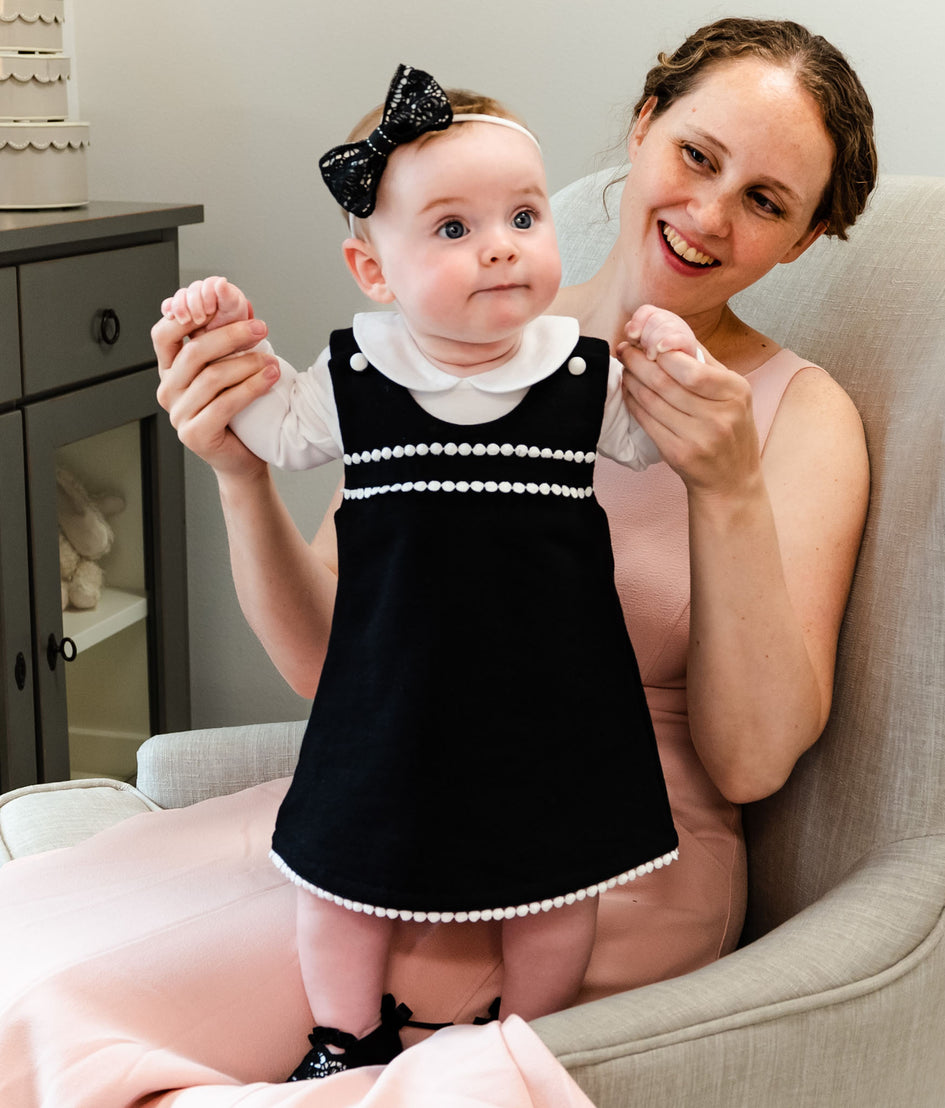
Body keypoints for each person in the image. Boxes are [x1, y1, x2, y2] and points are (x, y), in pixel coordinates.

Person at [0, 17, 876, 1101]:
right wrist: (239, 473)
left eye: (766, 202)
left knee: (82, 1036)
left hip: (605, 849)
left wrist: (728, 485)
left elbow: (750, 765)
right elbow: (329, 665)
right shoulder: (437, 335)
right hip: (394, 785)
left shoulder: (797, 415)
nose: (707, 213)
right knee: (27, 962)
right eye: (697, 155)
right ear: (644, 127)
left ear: (797, 242)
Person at [159, 63, 693, 1080]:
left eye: (524, 216)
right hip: (391, 698)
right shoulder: (355, 378)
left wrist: (670, 352)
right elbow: (264, 431)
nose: (499, 244)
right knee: (338, 878)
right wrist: (211, 332)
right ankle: (344, 1037)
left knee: (556, 889)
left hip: (556, 702)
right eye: (452, 228)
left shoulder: (583, 374)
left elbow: (668, 436)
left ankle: (517, 1036)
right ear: (373, 270)